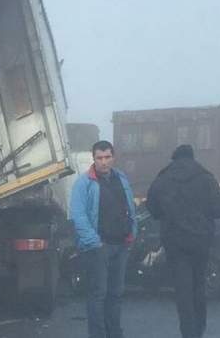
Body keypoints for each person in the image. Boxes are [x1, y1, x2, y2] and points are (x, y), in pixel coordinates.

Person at [146, 144, 220, 338]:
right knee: (198, 286)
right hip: (200, 240)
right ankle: (199, 330)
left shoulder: (163, 179)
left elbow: (153, 210)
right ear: (192, 157)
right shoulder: (206, 178)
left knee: (182, 290)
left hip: (174, 241)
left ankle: (188, 333)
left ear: (174, 158)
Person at [70, 140, 137, 338]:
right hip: (98, 247)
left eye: (107, 157)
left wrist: (132, 232)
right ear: (94, 159)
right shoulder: (84, 183)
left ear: (113, 157)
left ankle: (115, 334)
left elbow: (129, 207)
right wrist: (95, 242)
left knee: (116, 295)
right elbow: (78, 215)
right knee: (98, 295)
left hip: (121, 244)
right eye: (99, 158)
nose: (104, 162)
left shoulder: (121, 178)